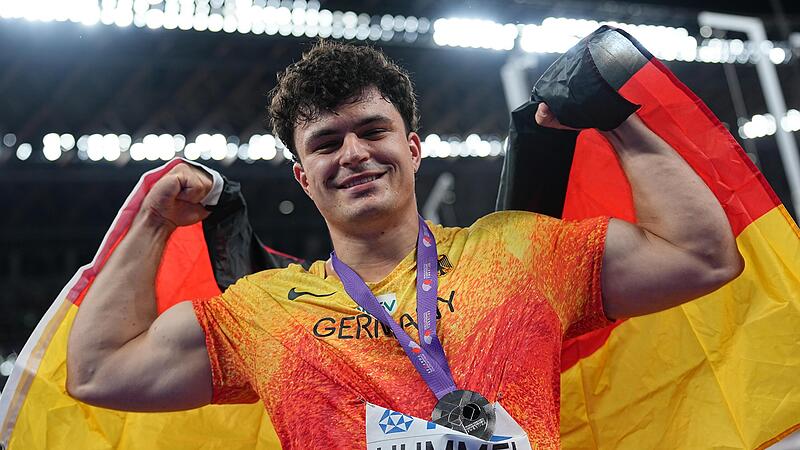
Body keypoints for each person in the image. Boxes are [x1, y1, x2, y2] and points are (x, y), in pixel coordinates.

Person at [65, 41, 744, 448]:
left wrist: (613, 118)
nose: (354, 154)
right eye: (327, 144)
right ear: (304, 179)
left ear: (412, 149)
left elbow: (700, 256)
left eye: (372, 131)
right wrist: (153, 221)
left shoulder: (520, 251)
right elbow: (98, 373)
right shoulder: (258, 310)